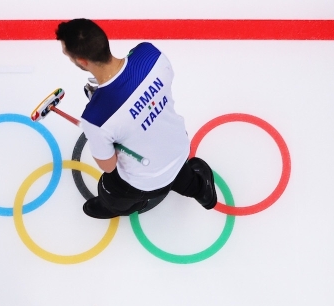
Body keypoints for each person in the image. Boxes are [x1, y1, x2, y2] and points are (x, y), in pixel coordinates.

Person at [55, 19, 217, 219]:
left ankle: (118, 205)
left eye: (67, 53)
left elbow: (109, 166)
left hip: (144, 182)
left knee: (110, 191)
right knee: (178, 173)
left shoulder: (95, 118)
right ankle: (202, 190)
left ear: (82, 61)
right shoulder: (150, 55)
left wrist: (107, 126)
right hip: (178, 147)